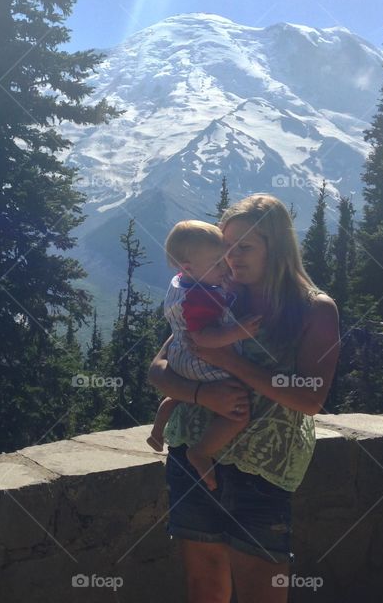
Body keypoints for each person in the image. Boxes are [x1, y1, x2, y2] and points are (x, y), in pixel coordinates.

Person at [147, 193, 340, 603]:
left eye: (245, 246)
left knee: (261, 593)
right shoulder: (212, 293)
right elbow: (158, 370)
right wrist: (203, 393)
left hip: (262, 470)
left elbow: (311, 399)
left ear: (278, 246)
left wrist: (229, 362)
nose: (232, 257)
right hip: (191, 456)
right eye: (227, 246)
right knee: (205, 588)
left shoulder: (314, 310)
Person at [145, 220, 262, 494]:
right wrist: (238, 332)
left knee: (182, 391)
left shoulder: (183, 282)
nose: (226, 268)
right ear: (188, 267)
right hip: (200, 359)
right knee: (238, 409)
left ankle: (161, 420)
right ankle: (201, 451)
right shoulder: (200, 297)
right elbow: (203, 338)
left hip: (179, 357)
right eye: (217, 263)